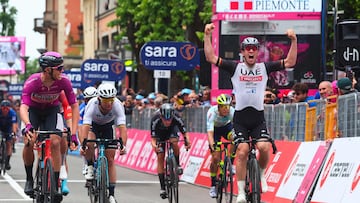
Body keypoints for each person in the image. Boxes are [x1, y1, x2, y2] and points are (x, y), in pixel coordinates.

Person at [204, 23, 297, 203]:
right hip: (239, 118)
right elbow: (211, 57)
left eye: (254, 48)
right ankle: (240, 192)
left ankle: (261, 175)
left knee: (263, 147)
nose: (251, 51)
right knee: (242, 151)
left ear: (258, 52)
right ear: (243, 52)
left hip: (257, 118)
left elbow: (290, 62)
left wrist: (294, 40)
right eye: (248, 49)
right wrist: (207, 36)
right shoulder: (235, 67)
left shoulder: (264, 67)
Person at [20, 51, 80, 201]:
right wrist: (27, 125)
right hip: (33, 112)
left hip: (51, 111)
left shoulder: (64, 81)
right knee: (29, 142)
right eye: (59, 68)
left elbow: (74, 106)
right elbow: (23, 107)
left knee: (55, 142)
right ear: (48, 70)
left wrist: (73, 133)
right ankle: (29, 179)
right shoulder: (32, 82)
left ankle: (55, 182)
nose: (62, 71)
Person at [80, 83, 127, 203]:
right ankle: (90, 165)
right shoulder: (92, 104)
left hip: (108, 127)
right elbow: (85, 126)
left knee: (110, 160)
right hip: (93, 126)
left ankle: (111, 193)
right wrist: (83, 145)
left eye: (111, 100)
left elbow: (122, 127)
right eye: (105, 101)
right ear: (99, 99)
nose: (109, 104)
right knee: (89, 143)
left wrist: (123, 145)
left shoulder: (117, 104)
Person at [150, 103, 191, 199]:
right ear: (161, 116)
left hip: (171, 132)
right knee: (160, 156)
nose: (167, 121)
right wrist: (155, 146)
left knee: (174, 142)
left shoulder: (176, 117)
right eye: (165, 119)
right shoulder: (155, 119)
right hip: (160, 135)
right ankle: (162, 187)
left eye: (169, 119)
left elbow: (185, 133)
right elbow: (153, 139)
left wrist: (187, 141)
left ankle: (177, 164)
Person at [207, 94, 235, 198]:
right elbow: (210, 132)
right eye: (223, 107)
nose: (226, 109)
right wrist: (212, 144)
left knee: (235, 138)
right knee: (215, 158)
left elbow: (237, 127)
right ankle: (213, 185)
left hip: (226, 127)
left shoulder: (232, 111)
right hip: (215, 131)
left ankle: (230, 163)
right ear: (218, 106)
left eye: (227, 106)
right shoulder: (211, 112)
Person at [0, 100, 18, 170]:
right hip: (1, 127)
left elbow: (14, 125)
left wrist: (14, 134)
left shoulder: (12, 113)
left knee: (8, 143)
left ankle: (7, 161)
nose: (5, 110)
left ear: (9, 108)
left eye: (6, 108)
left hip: (8, 127)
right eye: (3, 108)